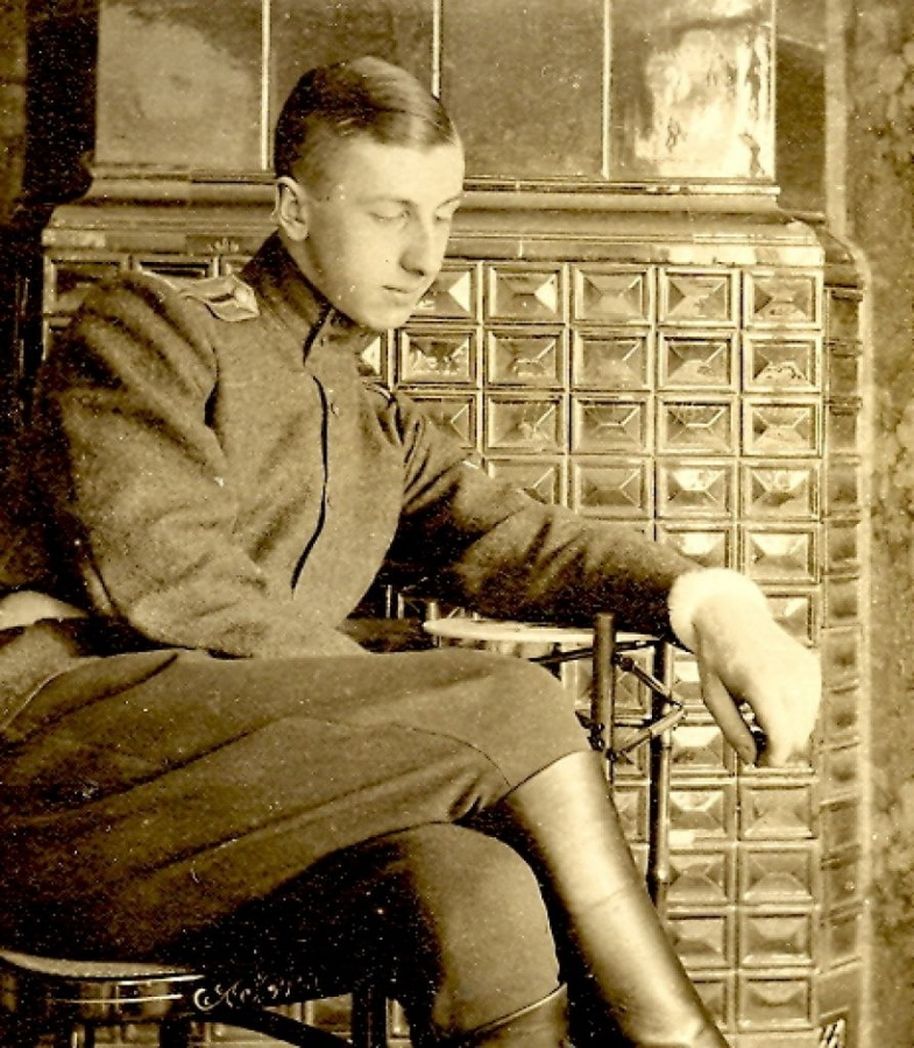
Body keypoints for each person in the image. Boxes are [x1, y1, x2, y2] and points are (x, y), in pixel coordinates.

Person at [0, 56, 820, 1047]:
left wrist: (716, 606)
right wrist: (412, 703)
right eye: (390, 213)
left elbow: (524, 539)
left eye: (443, 213)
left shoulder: (375, 426)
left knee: (477, 885)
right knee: (508, 701)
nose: (425, 254)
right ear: (293, 210)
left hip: (230, 826)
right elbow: (175, 577)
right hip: (62, 805)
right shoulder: (150, 328)